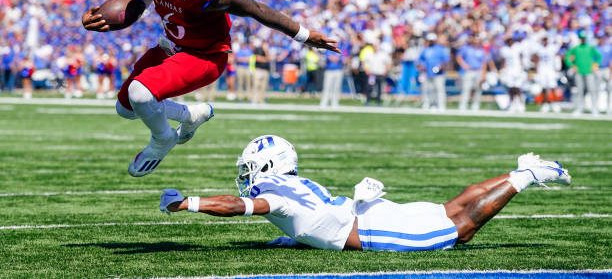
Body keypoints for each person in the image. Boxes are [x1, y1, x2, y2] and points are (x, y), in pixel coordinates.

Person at [81, 0, 339, 177]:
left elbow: (255, 8)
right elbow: (138, 2)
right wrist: (103, 14)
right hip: (170, 46)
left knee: (139, 94)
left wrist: (305, 35)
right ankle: (189, 115)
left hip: (203, 56)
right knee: (125, 108)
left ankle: (162, 140)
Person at [159, 135, 571, 252]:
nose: (247, 177)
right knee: (451, 210)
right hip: (368, 213)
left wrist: (187, 203)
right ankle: (522, 168)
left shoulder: (275, 195)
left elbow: (235, 206)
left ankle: (528, 175)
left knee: (458, 228)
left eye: (250, 170)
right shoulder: (295, 184)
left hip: (373, 229)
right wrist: (292, 237)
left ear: (268, 168)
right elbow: (312, 222)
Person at [564, 30, 602, 115]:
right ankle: (579, 108)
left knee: (592, 90)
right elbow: (567, 57)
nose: (583, 40)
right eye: (582, 38)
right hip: (579, 72)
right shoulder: (576, 48)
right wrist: (572, 65)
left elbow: (599, 57)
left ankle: (594, 108)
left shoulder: (590, 48)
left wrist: (595, 65)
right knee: (580, 91)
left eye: (584, 38)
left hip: (589, 72)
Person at [417, 33, 450, 111]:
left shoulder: (441, 49)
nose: (431, 42)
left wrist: (440, 67)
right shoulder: (425, 50)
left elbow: (445, 61)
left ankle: (441, 105)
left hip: (438, 73)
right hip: (427, 73)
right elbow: (419, 60)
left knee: (439, 90)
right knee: (428, 90)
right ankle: (428, 104)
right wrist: (421, 67)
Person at [456, 34, 489, 111]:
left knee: (478, 89)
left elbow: (484, 63)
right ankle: (463, 105)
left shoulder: (482, 50)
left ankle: (475, 105)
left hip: (478, 71)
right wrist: (464, 65)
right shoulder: (466, 48)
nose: (476, 41)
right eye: (475, 39)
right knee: (466, 89)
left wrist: (483, 74)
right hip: (468, 71)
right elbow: (458, 57)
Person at [532, 35, 561, 113]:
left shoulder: (552, 47)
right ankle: (545, 103)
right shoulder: (539, 48)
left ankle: (555, 103)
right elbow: (535, 58)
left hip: (550, 69)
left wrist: (557, 67)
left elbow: (557, 56)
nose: (545, 41)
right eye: (543, 40)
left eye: (546, 40)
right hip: (542, 70)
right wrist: (536, 68)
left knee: (553, 86)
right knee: (544, 87)